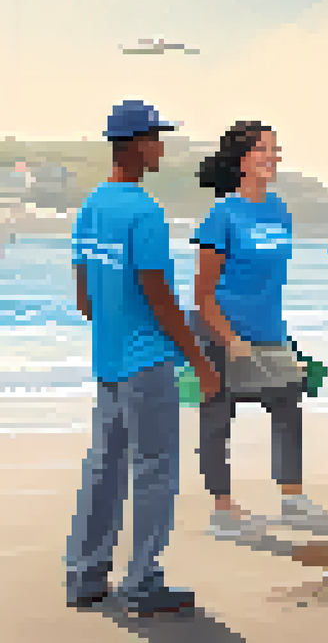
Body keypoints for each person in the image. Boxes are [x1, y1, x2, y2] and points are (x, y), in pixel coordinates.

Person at [65, 101, 219, 617]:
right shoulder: (144, 211)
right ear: (134, 144)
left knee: (103, 468)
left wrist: (115, 327)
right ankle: (141, 583)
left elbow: (84, 298)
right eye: (155, 138)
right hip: (147, 364)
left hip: (108, 362)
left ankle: (85, 577)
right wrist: (198, 361)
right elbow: (160, 296)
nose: (161, 147)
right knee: (155, 472)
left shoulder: (91, 207)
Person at [193, 121, 328, 537]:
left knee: (289, 405)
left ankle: (292, 499)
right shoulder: (222, 214)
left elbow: (271, 284)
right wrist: (230, 337)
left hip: (269, 332)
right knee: (219, 417)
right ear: (241, 160)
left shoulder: (279, 211)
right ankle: (222, 507)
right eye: (263, 150)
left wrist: (285, 339)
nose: (273, 157)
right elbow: (203, 294)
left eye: (276, 150)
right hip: (220, 331)